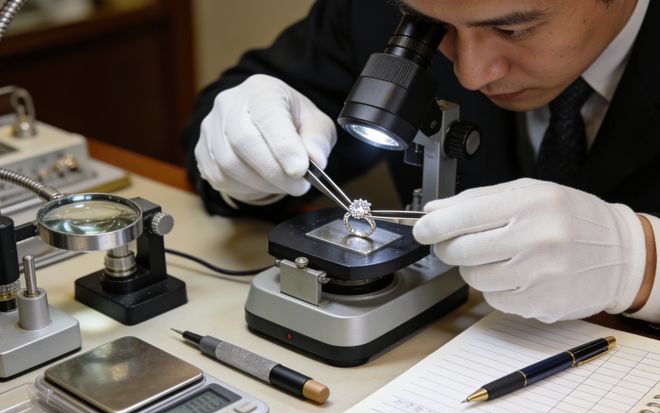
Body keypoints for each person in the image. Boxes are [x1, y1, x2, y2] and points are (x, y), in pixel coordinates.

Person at [182, 0, 660, 324]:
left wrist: (644, 263)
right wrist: (250, 158)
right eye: (436, 29)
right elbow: (233, 105)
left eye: (512, 29)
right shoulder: (379, 8)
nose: (471, 75)